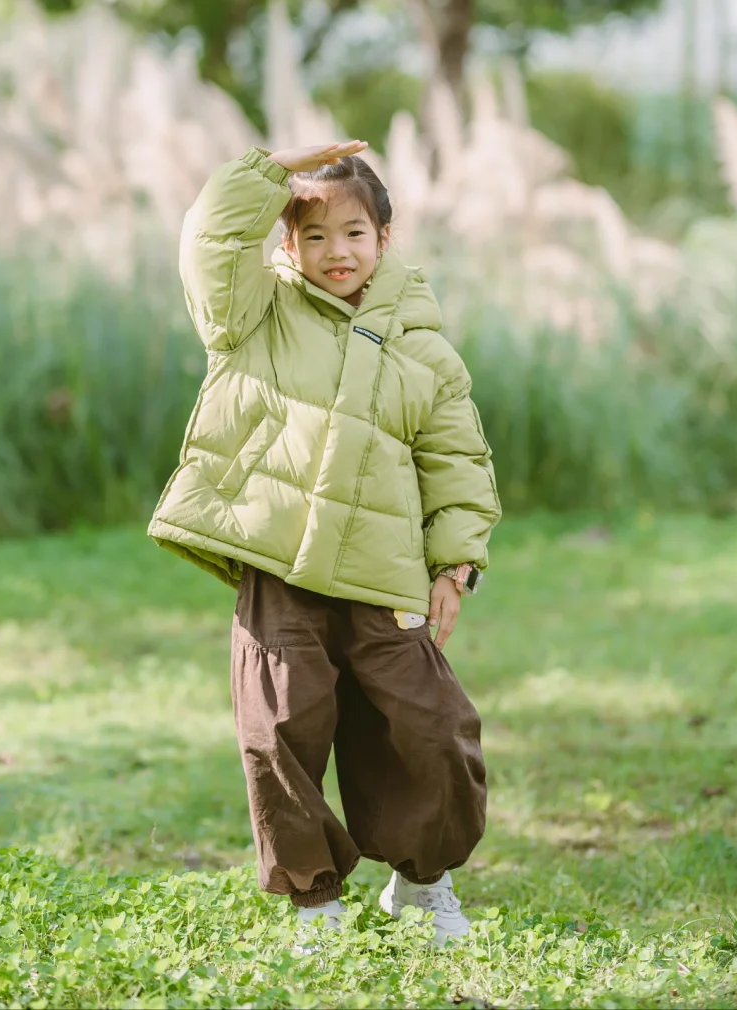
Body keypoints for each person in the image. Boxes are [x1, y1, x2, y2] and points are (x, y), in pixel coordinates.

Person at [149, 140, 501, 945]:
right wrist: (271, 170)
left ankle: (421, 882)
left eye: (352, 233)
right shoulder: (253, 314)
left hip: (385, 576)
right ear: (285, 244)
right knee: (279, 728)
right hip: (281, 568)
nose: (334, 252)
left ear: (385, 237)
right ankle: (315, 898)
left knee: (429, 725)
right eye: (313, 236)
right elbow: (208, 237)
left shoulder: (426, 348)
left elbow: (457, 461)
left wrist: (456, 561)